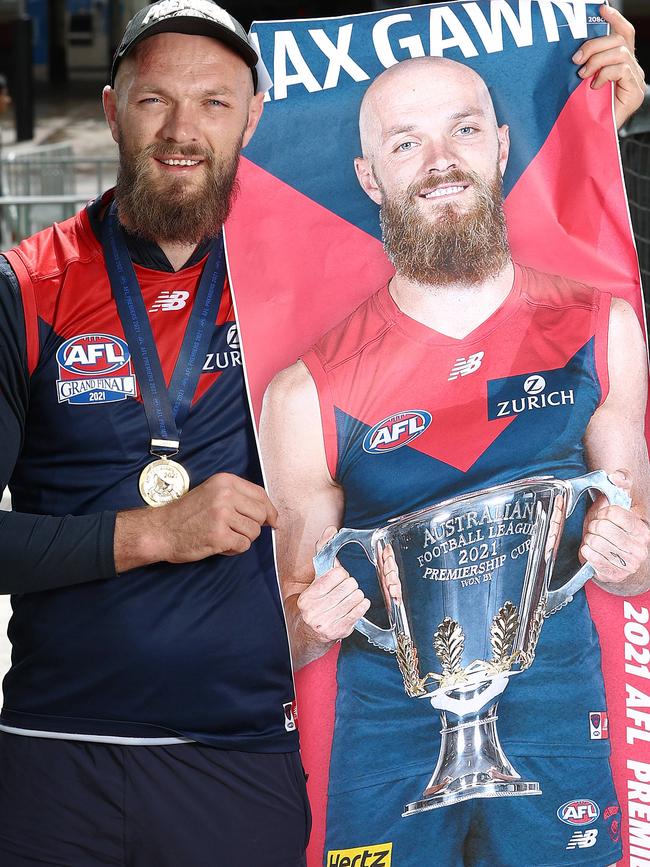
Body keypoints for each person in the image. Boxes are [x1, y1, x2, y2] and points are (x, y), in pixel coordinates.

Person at [260, 16, 649, 867]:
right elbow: (286, 637)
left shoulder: (600, 329)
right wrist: (310, 622)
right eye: (406, 144)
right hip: (388, 737)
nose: (440, 162)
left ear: (502, 146)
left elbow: (644, 564)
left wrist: (632, 554)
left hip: (556, 718)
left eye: (463, 130)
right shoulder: (305, 393)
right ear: (368, 176)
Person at [0, 3, 309, 866]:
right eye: (154, 101)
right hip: (54, 747)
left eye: (215, 102)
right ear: (110, 110)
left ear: (253, 117)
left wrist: (580, 117)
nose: (183, 130)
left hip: (239, 752)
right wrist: (150, 535)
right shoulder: (26, 288)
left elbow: (474, 266)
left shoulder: (299, 278)